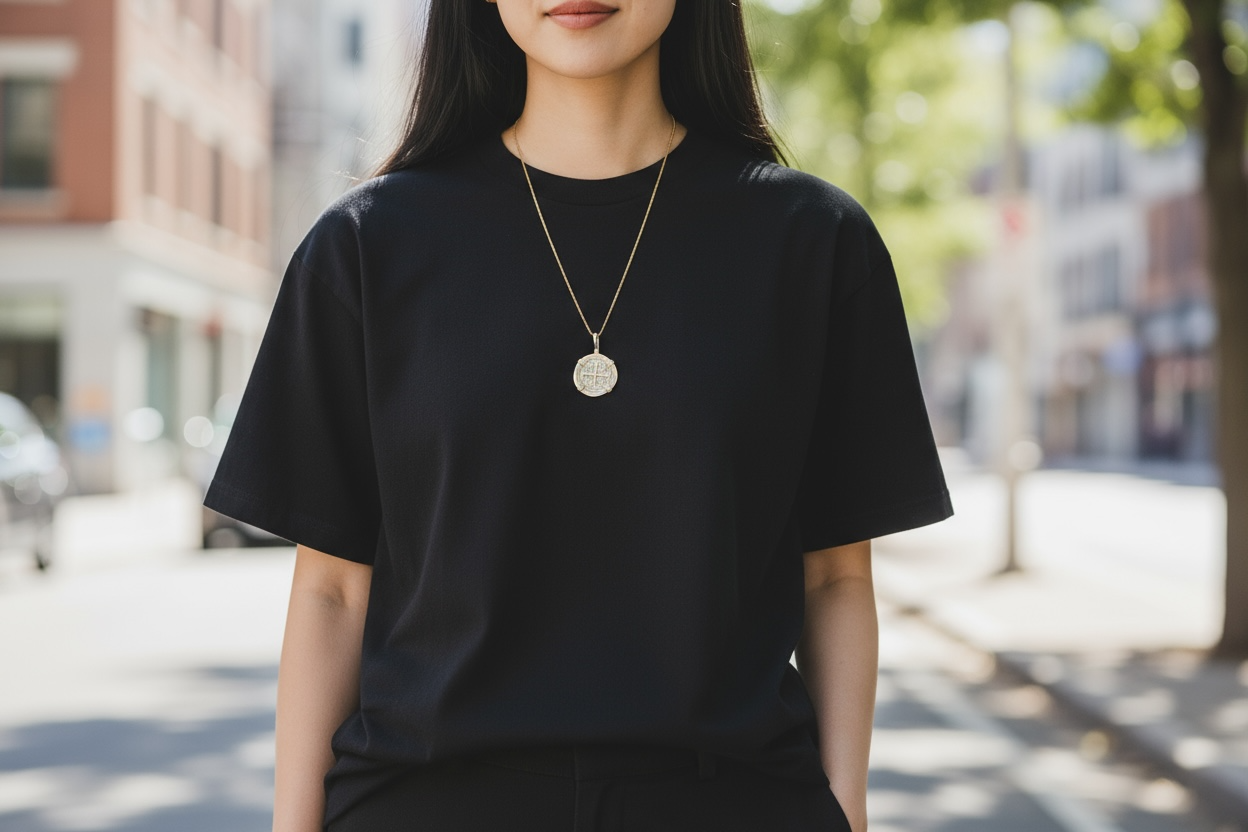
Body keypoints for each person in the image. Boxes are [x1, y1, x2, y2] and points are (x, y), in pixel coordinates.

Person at [202, 0, 956, 830]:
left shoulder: (815, 244)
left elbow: (836, 576)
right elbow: (333, 592)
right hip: (426, 803)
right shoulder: (365, 248)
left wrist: (842, 810)